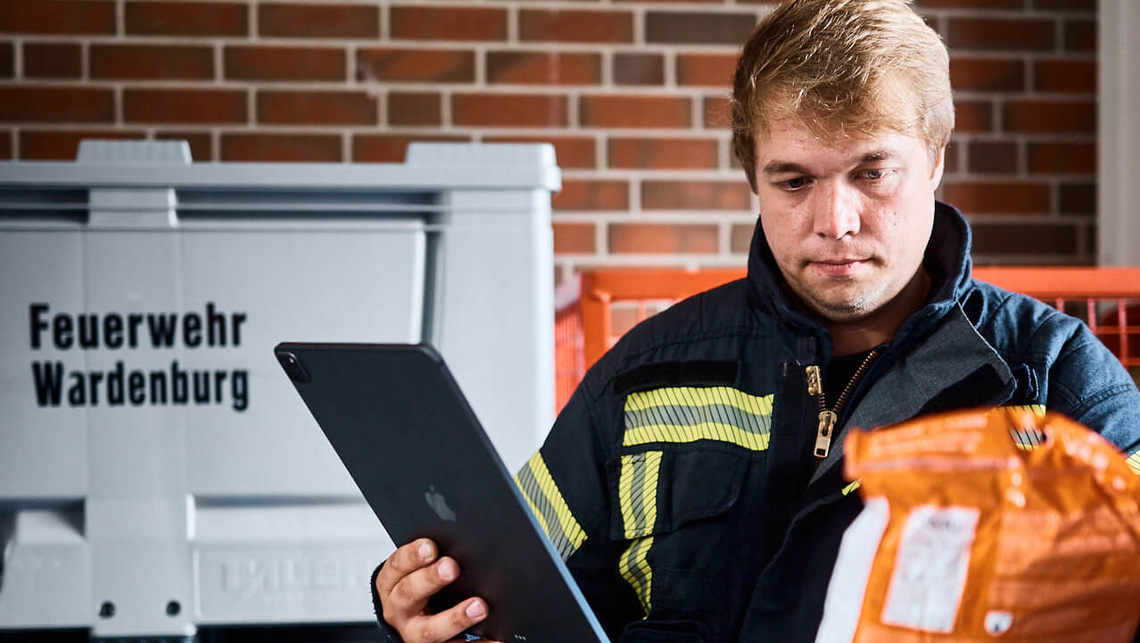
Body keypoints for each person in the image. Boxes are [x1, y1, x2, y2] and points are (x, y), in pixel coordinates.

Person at [371, 0, 1140, 641]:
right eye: (795, 180)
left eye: (872, 173)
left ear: (935, 159)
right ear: (753, 176)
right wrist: (418, 602)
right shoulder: (642, 377)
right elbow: (506, 575)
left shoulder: (1055, 384)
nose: (836, 220)